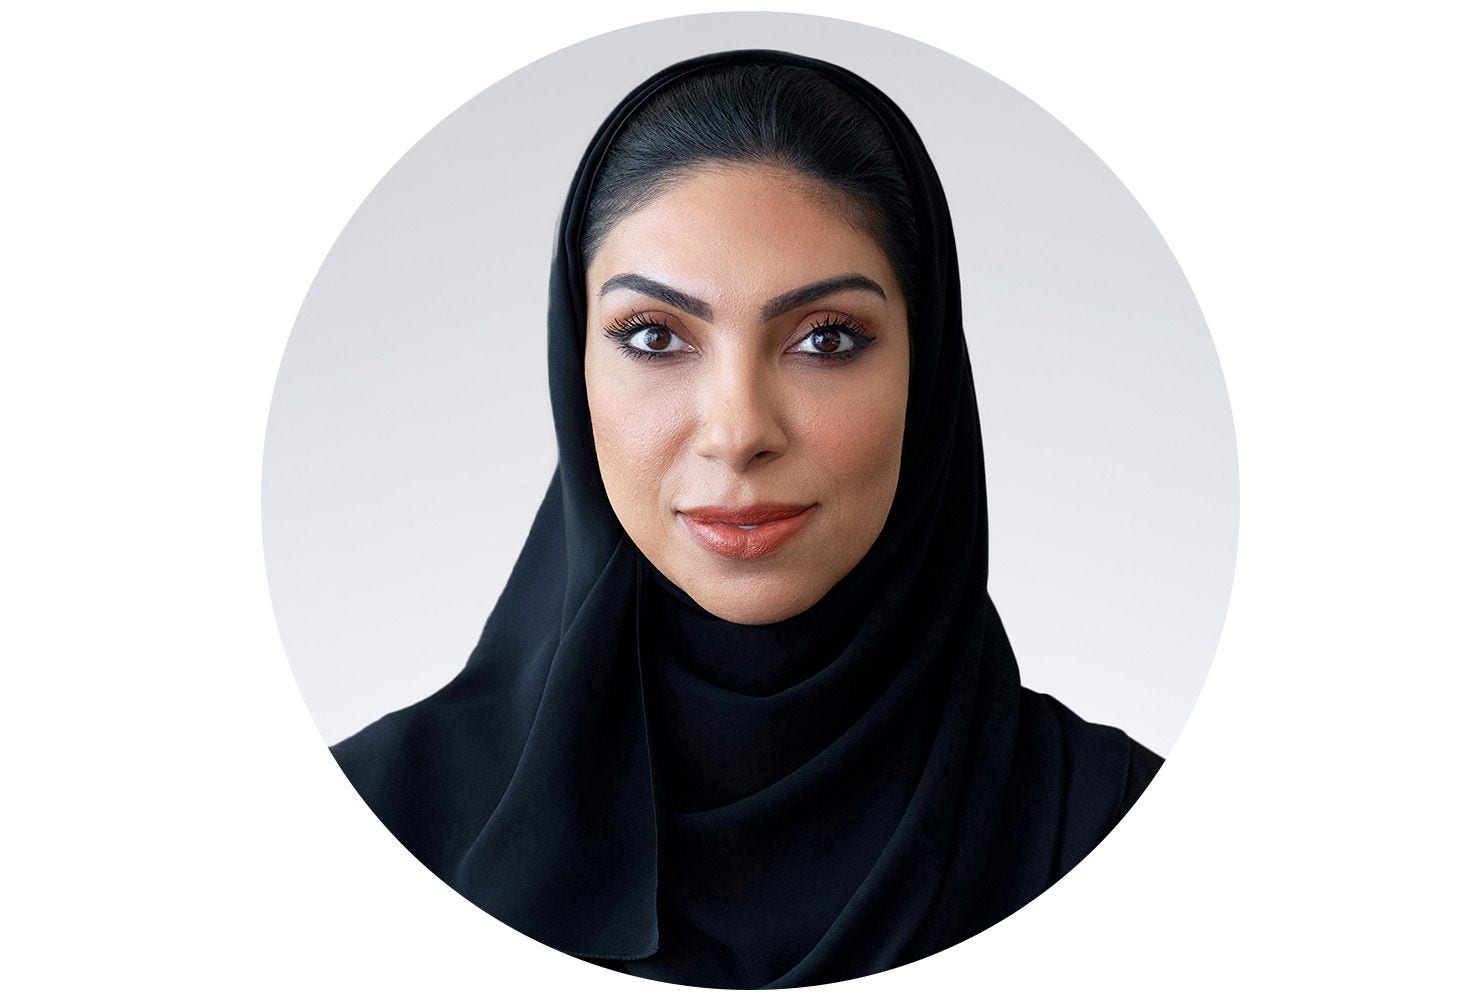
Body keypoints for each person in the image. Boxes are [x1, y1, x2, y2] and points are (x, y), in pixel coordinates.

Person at [331, 49, 1163, 989]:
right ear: (577, 369)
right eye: (655, 337)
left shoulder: (1120, 833)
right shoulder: (371, 828)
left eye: (826, 338)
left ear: (925, 374)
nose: (738, 433)